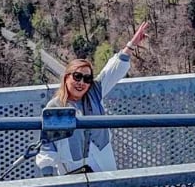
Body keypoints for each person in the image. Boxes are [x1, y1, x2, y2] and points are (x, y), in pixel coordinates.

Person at [35, 22, 149, 176]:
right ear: (66, 77)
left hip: (103, 160)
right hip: (73, 167)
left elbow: (111, 72)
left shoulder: (94, 92)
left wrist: (131, 45)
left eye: (87, 79)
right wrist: (48, 178)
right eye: (77, 76)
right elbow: (47, 147)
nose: (81, 82)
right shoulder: (55, 106)